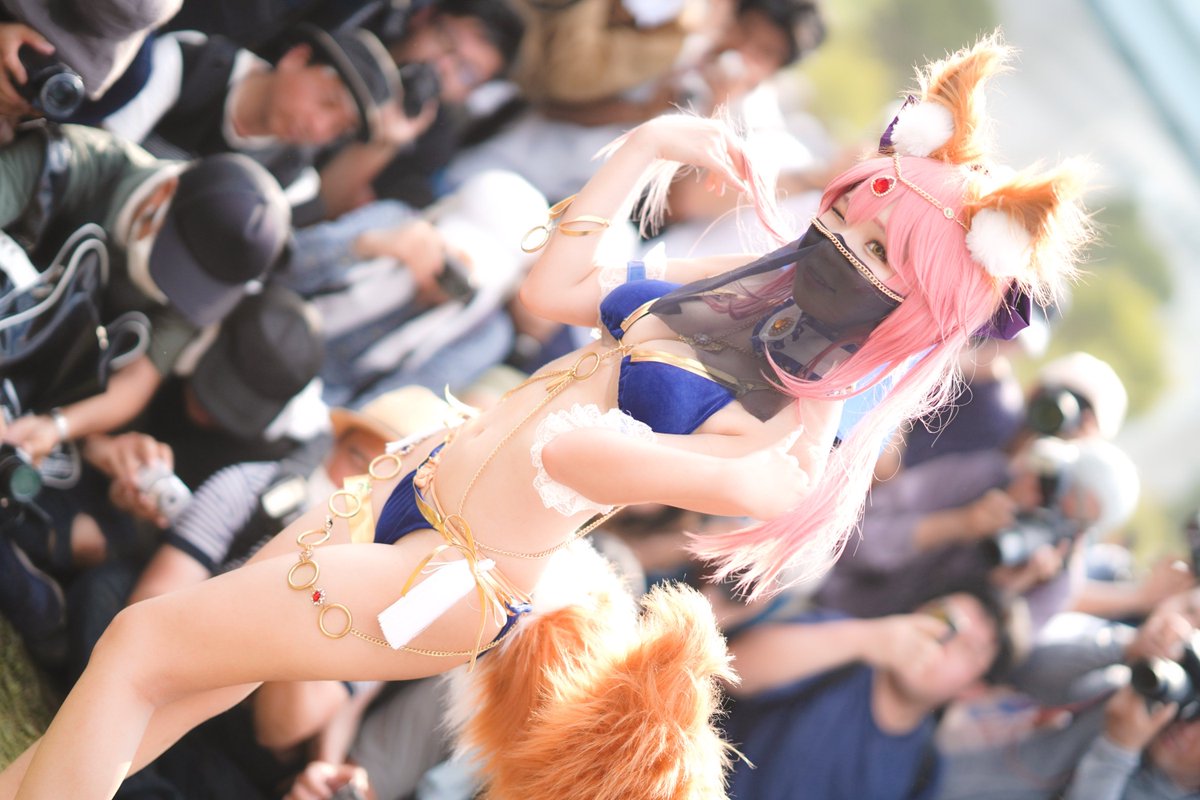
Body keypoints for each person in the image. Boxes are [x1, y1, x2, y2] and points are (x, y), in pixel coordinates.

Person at [0, 33, 1092, 798]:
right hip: (405, 486)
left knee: (142, 643)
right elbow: (556, 290)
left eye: (879, 256)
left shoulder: (800, 433)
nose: (842, 248)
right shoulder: (724, 305)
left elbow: (596, 461)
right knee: (181, 682)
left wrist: (619, 448)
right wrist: (649, 149)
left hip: (453, 574)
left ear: (920, 308)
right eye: (849, 223)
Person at [1, 136, 291, 466]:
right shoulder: (75, 162)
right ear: (163, 193)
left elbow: (139, 380)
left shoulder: (200, 288)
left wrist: (56, 427)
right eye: (176, 267)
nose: (177, 290)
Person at [722, 588, 1022, 800]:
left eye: (967, 648)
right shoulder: (843, 639)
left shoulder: (923, 768)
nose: (942, 639)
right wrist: (864, 639)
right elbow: (731, 670)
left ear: (974, 689)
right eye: (944, 619)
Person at [102, 22, 400, 223]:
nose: (318, 128)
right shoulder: (191, 64)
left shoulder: (288, 180)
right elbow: (102, 152)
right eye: (327, 102)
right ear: (296, 58)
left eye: (338, 129)